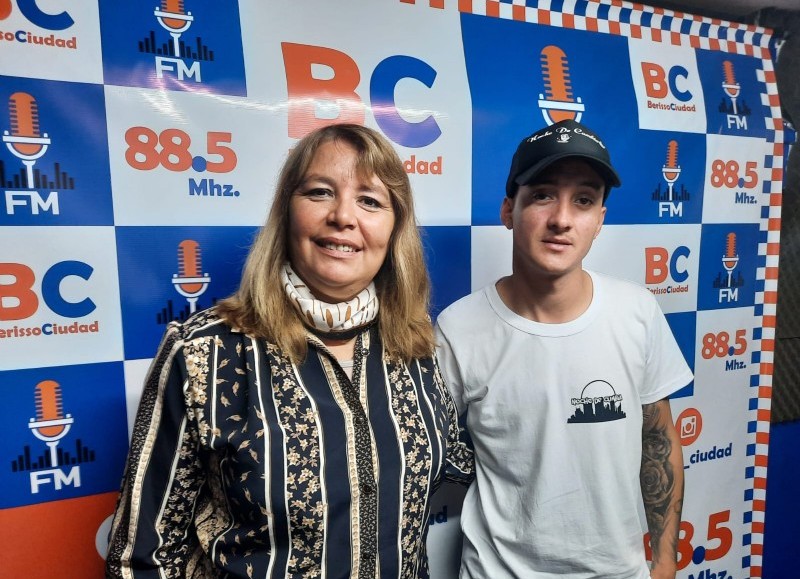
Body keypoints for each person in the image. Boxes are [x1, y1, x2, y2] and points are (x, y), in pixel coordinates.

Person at [105, 123, 473, 579]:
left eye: (371, 201)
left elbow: (460, 464)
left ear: (394, 229)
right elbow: (142, 555)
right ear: (286, 213)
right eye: (320, 193)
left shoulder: (414, 345)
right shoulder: (204, 352)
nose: (343, 216)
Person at [435, 119, 693, 579]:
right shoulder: (457, 329)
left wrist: (666, 558)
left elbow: (659, 441)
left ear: (599, 221)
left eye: (584, 200)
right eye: (542, 195)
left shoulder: (637, 311)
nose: (561, 219)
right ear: (508, 210)